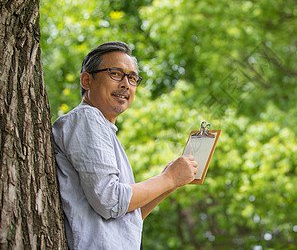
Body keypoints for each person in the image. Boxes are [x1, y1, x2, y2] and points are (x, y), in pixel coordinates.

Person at [52, 41, 198, 250]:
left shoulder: (103, 129)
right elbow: (110, 200)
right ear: (87, 80)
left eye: (132, 78)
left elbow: (128, 218)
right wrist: (168, 178)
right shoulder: (87, 118)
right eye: (115, 73)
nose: (125, 84)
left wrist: (169, 184)